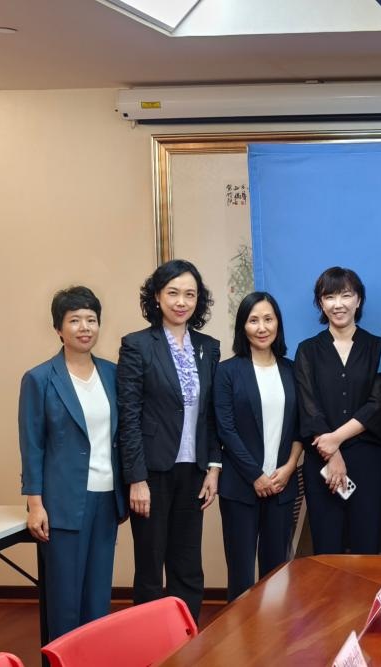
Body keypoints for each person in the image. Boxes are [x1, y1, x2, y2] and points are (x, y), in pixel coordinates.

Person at [18, 286, 127, 640]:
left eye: (91, 320)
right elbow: (32, 446)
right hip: (62, 503)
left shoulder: (112, 374)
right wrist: (36, 504)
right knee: (65, 602)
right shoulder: (39, 379)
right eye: (75, 320)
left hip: (106, 499)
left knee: (97, 599)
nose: (85, 327)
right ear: (59, 328)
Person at [118, 259, 221, 621]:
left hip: (193, 470)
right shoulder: (137, 345)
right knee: (150, 567)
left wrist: (213, 468)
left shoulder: (208, 347)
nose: (181, 302)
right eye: (173, 293)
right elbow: (129, 417)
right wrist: (136, 478)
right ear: (157, 297)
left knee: (188, 565)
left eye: (190, 294)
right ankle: (149, 642)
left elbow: (210, 414)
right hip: (152, 472)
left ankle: (187, 639)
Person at [214, 292, 303, 600]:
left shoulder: (292, 370)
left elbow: (300, 427)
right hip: (240, 487)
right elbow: (225, 429)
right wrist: (256, 475)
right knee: (240, 575)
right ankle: (240, 630)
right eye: (253, 320)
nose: (262, 327)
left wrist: (289, 468)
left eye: (268, 319)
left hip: (282, 485)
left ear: (278, 323)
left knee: (277, 573)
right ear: (243, 326)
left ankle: (274, 631)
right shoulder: (227, 371)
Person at [294, 266, 381, 554]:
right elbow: (308, 407)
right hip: (321, 461)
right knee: (327, 547)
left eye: (346, 295)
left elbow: (377, 403)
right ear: (321, 303)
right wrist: (332, 453)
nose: (338, 304)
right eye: (329, 297)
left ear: (358, 300)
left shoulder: (378, 347)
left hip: (366, 459)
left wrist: (336, 439)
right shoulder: (308, 350)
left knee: (366, 546)